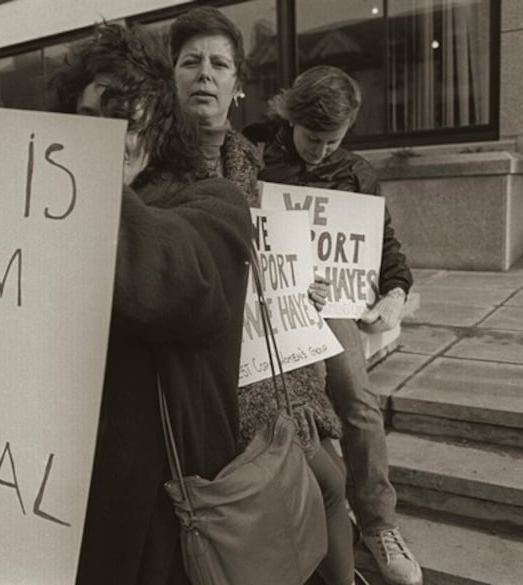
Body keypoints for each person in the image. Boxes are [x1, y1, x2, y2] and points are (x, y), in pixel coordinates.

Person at [0, 24, 251, 585]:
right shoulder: (44, 210)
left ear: (161, 126)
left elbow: (168, 280)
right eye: (89, 121)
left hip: (167, 526)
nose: (106, 138)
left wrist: (30, 163)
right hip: (57, 505)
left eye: (126, 117)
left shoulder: (215, 204)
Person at [169, 8, 361, 585]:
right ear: (171, 78)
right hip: (217, 390)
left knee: (329, 486)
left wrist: (307, 287)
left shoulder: (255, 164)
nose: (205, 73)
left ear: (237, 85)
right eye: (190, 62)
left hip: (284, 379)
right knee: (287, 513)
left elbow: (274, 266)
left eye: (219, 63)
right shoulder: (150, 165)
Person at [243, 65, 421, 585]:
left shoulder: (359, 174)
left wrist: (394, 292)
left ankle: (379, 523)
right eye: (312, 138)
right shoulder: (255, 157)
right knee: (279, 407)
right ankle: (313, 508)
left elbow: (390, 253)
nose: (321, 151)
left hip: (331, 305)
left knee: (357, 400)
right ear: (290, 118)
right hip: (267, 302)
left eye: (333, 141)